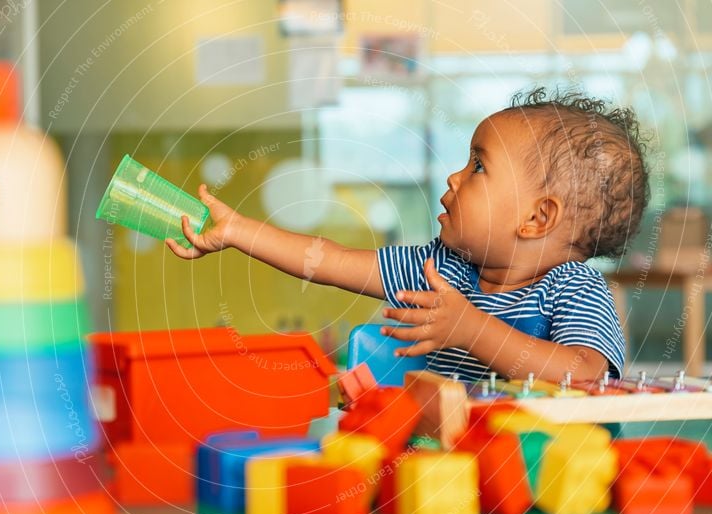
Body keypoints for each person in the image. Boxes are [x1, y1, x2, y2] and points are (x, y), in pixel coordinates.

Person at [166, 87, 649, 383]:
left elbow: (586, 371)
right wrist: (237, 230)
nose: (454, 178)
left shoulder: (574, 289)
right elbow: (328, 260)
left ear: (537, 219)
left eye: (479, 166)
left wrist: (471, 329)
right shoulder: (444, 269)